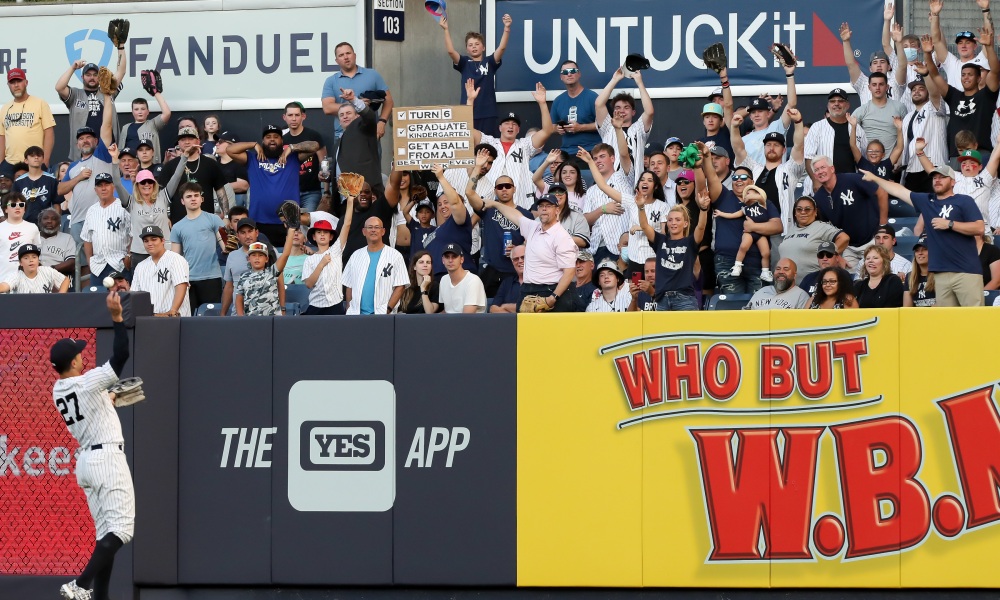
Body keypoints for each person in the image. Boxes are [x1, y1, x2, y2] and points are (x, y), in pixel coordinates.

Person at [52, 291, 134, 600]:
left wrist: (109, 400)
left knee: (105, 537)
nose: (82, 355)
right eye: (78, 354)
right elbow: (121, 357)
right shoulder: (85, 382)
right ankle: (80, 584)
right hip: (107, 459)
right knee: (122, 530)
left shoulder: (59, 388)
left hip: (87, 463)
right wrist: (116, 318)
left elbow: (90, 400)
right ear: (73, 362)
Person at [861, 164, 985, 306]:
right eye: (934, 178)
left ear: (952, 181)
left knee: (974, 320)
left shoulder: (964, 200)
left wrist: (950, 224)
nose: (937, 180)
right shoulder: (927, 201)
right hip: (940, 273)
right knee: (947, 323)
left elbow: (979, 228)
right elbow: (899, 190)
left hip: (966, 271)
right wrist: (875, 178)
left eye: (942, 177)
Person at [703, 141, 782, 293]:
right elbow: (711, 177)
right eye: (735, 178)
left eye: (744, 177)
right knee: (733, 310)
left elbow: (777, 226)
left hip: (757, 263)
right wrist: (707, 157)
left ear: (752, 182)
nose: (738, 180)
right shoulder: (722, 196)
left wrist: (753, 227)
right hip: (727, 262)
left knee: (758, 308)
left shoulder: (763, 201)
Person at [484, 192, 577, 312]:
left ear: (557, 210)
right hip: (528, 290)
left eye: (548, 206)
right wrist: (495, 204)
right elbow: (516, 216)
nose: (544, 209)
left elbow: (569, 272)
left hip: (550, 290)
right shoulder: (534, 227)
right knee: (525, 331)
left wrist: (552, 298)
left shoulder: (562, 237)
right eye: (541, 206)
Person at [226, 124, 317, 246]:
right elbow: (230, 150)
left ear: (282, 140)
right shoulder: (252, 158)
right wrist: (254, 145)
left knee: (288, 260)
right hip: (259, 221)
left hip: (288, 221)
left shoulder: (293, 158)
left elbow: (315, 146)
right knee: (262, 259)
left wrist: (291, 148)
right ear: (263, 140)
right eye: (268, 137)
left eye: (276, 136)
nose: (272, 139)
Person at [469, 81, 554, 210]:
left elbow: (547, 131)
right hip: (490, 200)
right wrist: (470, 101)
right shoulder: (489, 142)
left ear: (518, 129)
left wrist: (542, 103)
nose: (510, 126)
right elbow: (467, 130)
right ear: (500, 128)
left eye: (514, 124)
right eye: (507, 123)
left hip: (520, 202)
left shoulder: (525, 145)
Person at [466, 148, 533, 296]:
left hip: (516, 270)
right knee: (490, 313)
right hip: (491, 270)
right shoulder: (488, 207)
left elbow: (533, 241)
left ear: (514, 189)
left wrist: (520, 247)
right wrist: (477, 167)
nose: (504, 189)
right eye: (499, 187)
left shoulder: (525, 213)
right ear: (495, 191)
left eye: (508, 186)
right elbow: (469, 193)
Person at [925, 25, 999, 157]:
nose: (966, 78)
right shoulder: (954, 96)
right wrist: (927, 54)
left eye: (970, 74)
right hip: (956, 155)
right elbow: (935, 75)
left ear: (979, 78)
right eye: (963, 75)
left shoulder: (986, 96)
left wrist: (989, 47)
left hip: (981, 153)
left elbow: (995, 71)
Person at [638, 186, 710, 311]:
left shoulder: (690, 242)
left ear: (685, 224)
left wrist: (703, 209)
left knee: (688, 331)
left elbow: (701, 227)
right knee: (662, 332)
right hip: (662, 301)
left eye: (677, 220)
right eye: (670, 220)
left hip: (685, 299)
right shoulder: (660, 241)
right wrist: (641, 207)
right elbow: (644, 226)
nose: (673, 223)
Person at [113, 144, 184, 267]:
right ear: (137, 185)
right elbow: (117, 184)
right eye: (142, 182)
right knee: (142, 286)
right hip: (140, 252)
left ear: (154, 183)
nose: (146, 184)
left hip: (164, 250)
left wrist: (185, 157)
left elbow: (176, 177)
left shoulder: (163, 196)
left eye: (150, 181)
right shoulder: (132, 202)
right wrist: (115, 160)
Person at [439, 13, 512, 133]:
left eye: (477, 44)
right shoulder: (464, 63)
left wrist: (507, 28)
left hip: (488, 113)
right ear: (467, 49)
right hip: (467, 112)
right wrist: (446, 29)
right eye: (470, 45)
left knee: (487, 148)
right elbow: (451, 51)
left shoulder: (490, 62)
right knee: (468, 148)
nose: (474, 47)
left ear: (483, 47)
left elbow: (502, 48)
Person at [811, 155, 887, 270]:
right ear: (814, 175)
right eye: (816, 170)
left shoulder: (851, 179)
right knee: (849, 281)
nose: (820, 172)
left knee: (877, 277)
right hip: (848, 248)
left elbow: (881, 191)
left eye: (823, 167)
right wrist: (837, 255)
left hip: (871, 240)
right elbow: (826, 229)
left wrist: (883, 225)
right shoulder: (819, 198)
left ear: (832, 169)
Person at [56, 51, 126, 160]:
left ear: (100, 77)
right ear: (82, 77)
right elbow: (59, 87)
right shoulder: (76, 94)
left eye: (95, 75)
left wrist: (121, 47)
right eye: (88, 75)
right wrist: (73, 68)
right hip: (83, 152)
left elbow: (121, 71)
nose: (92, 78)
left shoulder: (108, 91)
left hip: (108, 149)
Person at [900, 42, 948, 193]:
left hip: (934, 167)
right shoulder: (908, 117)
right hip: (912, 169)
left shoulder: (934, 107)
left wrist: (926, 75)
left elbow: (935, 93)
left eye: (921, 88)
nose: (916, 91)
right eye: (914, 89)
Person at [321, 42, 394, 141]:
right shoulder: (331, 81)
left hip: (370, 133)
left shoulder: (372, 75)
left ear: (354, 55)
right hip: (343, 134)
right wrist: (358, 104)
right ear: (337, 61)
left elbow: (388, 101)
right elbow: (327, 108)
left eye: (348, 53)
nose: (345, 57)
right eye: (341, 55)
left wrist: (382, 122)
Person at [169, 183, 226, 309]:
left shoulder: (214, 219)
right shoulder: (177, 227)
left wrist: (228, 245)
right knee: (190, 320)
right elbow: (174, 259)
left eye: (196, 195)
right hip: (188, 280)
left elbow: (226, 247)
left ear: (202, 199)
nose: (193, 198)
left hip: (212, 277)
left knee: (211, 319)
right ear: (182, 201)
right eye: (189, 196)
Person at [158, 127, 230, 223]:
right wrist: (164, 217)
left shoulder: (210, 164)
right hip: (179, 222)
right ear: (178, 143)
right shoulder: (170, 166)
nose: (187, 142)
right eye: (183, 139)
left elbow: (220, 191)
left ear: (198, 141)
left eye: (191, 139)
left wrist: (226, 216)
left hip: (206, 221)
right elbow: (162, 195)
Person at [595, 67, 654, 184]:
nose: (622, 111)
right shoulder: (608, 128)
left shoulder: (639, 129)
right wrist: (615, 79)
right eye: (618, 108)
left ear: (633, 112)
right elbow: (599, 104)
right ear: (613, 112)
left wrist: (639, 82)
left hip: (636, 186)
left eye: (626, 107)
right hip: (611, 185)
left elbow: (649, 112)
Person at [342, 217, 409, 314]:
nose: (373, 230)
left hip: (382, 315)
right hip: (356, 315)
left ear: (383, 231)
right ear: (364, 231)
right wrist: (349, 308)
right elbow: (349, 284)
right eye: (370, 227)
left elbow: (400, 286)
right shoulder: (355, 255)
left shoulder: (395, 255)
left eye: (377, 227)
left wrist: (388, 309)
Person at [58, 127, 113, 243]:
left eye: (88, 137)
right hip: (77, 220)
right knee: (79, 259)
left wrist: (108, 107)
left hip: (99, 218)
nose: (85, 140)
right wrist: (79, 177)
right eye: (81, 139)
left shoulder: (101, 156)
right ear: (78, 144)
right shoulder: (73, 166)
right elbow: (60, 190)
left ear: (96, 141)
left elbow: (107, 127)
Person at [578, 144, 632, 264]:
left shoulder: (624, 178)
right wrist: (602, 209)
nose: (598, 161)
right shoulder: (592, 190)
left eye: (602, 156)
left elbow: (624, 155)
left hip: (619, 246)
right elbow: (585, 220)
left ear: (612, 158)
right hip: (596, 248)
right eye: (595, 158)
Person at [302, 194, 354, 315]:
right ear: (314, 237)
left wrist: (350, 201)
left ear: (331, 236)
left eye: (326, 232)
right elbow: (309, 284)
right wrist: (321, 264)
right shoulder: (309, 260)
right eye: (319, 232)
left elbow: (347, 224)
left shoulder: (336, 250)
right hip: (315, 304)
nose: (322, 235)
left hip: (335, 304)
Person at [781, 197, 850, 285]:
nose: (803, 212)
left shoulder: (821, 227)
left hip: (812, 284)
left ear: (815, 212)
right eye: (799, 209)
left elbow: (844, 238)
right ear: (795, 213)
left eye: (807, 209)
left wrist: (833, 256)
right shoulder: (791, 230)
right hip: (789, 286)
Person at [125, 225, 191, 317]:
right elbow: (135, 295)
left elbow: (181, 286)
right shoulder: (140, 266)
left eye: (154, 239)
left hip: (175, 319)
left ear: (163, 241)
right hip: (150, 320)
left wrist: (173, 310)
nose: (150, 243)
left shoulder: (176, 259)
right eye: (146, 241)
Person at [714, 184, 774, 282]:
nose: (746, 195)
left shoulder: (763, 204)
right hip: (749, 232)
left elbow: (761, 197)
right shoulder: (745, 209)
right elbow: (733, 215)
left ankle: (765, 271)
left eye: (748, 193)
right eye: (745, 194)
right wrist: (721, 214)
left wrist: (751, 195)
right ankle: (737, 265)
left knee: (766, 253)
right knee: (743, 247)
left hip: (760, 233)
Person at [0, 68, 55, 175]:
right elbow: (2, 137)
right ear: (8, 85)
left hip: (33, 161)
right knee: (6, 192)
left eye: (19, 81)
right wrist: (1, 162)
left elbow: (49, 132)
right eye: (12, 82)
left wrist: (45, 160)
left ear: (26, 82)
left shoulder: (40, 103)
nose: (16, 85)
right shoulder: (4, 108)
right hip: (9, 163)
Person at [805, 88, 867, 177]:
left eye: (841, 101)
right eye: (832, 101)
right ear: (828, 105)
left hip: (851, 182)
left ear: (848, 105)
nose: (836, 104)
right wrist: (816, 182)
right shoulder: (817, 127)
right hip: (826, 183)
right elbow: (808, 158)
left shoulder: (857, 129)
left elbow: (864, 157)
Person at [235, 231, 297, 316]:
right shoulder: (243, 276)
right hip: (251, 320)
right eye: (253, 255)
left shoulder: (272, 271)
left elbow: (285, 254)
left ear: (266, 259)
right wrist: (240, 317)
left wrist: (291, 230)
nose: (257, 258)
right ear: (248, 259)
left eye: (261, 255)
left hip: (273, 320)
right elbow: (239, 298)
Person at [333, 91, 383, 193]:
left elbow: (369, 116)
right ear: (339, 121)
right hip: (344, 196)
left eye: (348, 113)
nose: (345, 116)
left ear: (357, 116)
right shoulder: (338, 143)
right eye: (341, 115)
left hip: (366, 193)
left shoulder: (363, 128)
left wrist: (353, 100)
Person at [282, 101, 327, 213]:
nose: (293, 118)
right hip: (289, 192)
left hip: (312, 192)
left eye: (297, 115)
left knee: (308, 224)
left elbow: (324, 163)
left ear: (303, 116)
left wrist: (326, 192)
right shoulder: (282, 140)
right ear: (284, 117)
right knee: (291, 227)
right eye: (290, 115)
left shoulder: (313, 136)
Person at [551, 61, 602, 154]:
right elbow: (551, 127)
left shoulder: (592, 97)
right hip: (567, 152)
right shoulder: (558, 101)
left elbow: (604, 124)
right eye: (565, 72)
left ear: (579, 74)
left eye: (573, 71)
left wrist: (581, 127)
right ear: (561, 77)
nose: (569, 74)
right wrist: (557, 129)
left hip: (591, 150)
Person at [119, 91, 171, 163]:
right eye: (136, 109)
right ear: (132, 112)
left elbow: (167, 113)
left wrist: (156, 93)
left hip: (150, 166)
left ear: (148, 111)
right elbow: (120, 150)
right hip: (131, 166)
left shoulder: (153, 124)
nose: (140, 112)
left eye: (143, 109)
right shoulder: (126, 127)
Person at [14, 145, 59, 225]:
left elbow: (56, 203)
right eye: (32, 155)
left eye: (39, 155)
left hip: (46, 223)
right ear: (26, 160)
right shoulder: (18, 182)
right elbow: (13, 204)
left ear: (42, 159)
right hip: (24, 223)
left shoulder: (52, 179)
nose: (36, 158)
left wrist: (57, 222)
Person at [437, 243, 487, 313]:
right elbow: (448, 311)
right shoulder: (444, 280)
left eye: (454, 257)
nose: (450, 260)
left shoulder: (473, 281)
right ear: (443, 260)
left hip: (471, 323)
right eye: (447, 257)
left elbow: (467, 317)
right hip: (450, 322)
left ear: (462, 259)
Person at [0, 243, 68, 293]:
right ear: (20, 262)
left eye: (34, 257)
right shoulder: (16, 275)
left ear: (38, 260)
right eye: (26, 258)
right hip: (23, 309)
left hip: (46, 307)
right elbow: (4, 286)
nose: (31, 260)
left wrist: (60, 297)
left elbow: (65, 280)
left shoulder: (47, 270)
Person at [744, 258, 810, 309]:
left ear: (794, 275)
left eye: (786, 269)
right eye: (778, 269)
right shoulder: (762, 291)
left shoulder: (801, 296)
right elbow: (745, 315)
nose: (781, 272)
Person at [38, 208, 76, 278]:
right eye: (45, 218)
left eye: (54, 219)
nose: (49, 221)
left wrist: (51, 270)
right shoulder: (32, 237)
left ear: (59, 223)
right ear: (40, 222)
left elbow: (72, 262)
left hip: (57, 275)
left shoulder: (67, 238)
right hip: (33, 275)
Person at [491, 244, 524, 313]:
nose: (520, 261)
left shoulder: (539, 281)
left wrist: (506, 306)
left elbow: (533, 309)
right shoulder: (507, 282)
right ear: (512, 262)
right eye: (516, 259)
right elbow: (493, 308)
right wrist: (513, 320)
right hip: (509, 323)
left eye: (523, 257)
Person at [904, 236, 936, 306]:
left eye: (924, 249)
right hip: (915, 316)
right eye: (917, 250)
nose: (920, 253)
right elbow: (907, 309)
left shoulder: (939, 275)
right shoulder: (909, 277)